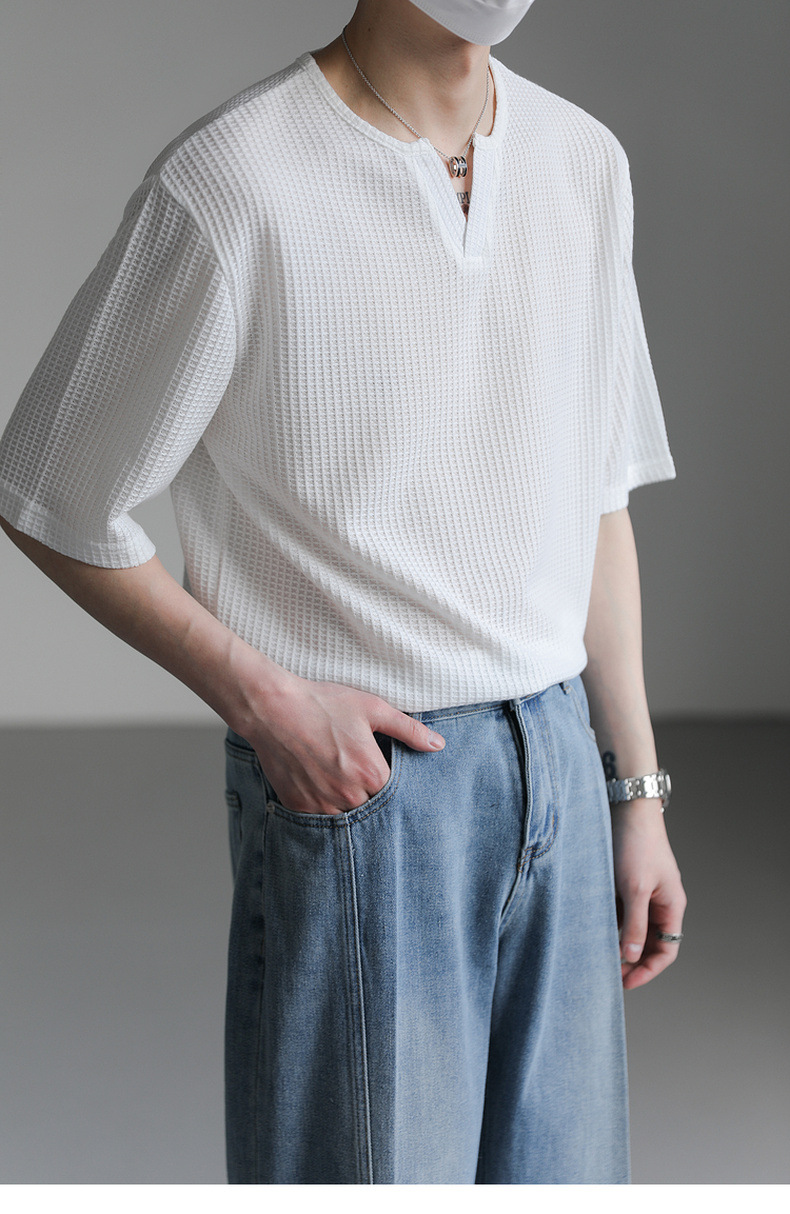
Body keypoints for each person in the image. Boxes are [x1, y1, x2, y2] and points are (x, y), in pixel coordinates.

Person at [0, 0, 687, 1185]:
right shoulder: (235, 181)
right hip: (371, 782)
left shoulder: (583, 162)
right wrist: (263, 699)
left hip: (562, 767)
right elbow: (49, 488)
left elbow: (597, 500)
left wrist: (635, 794)